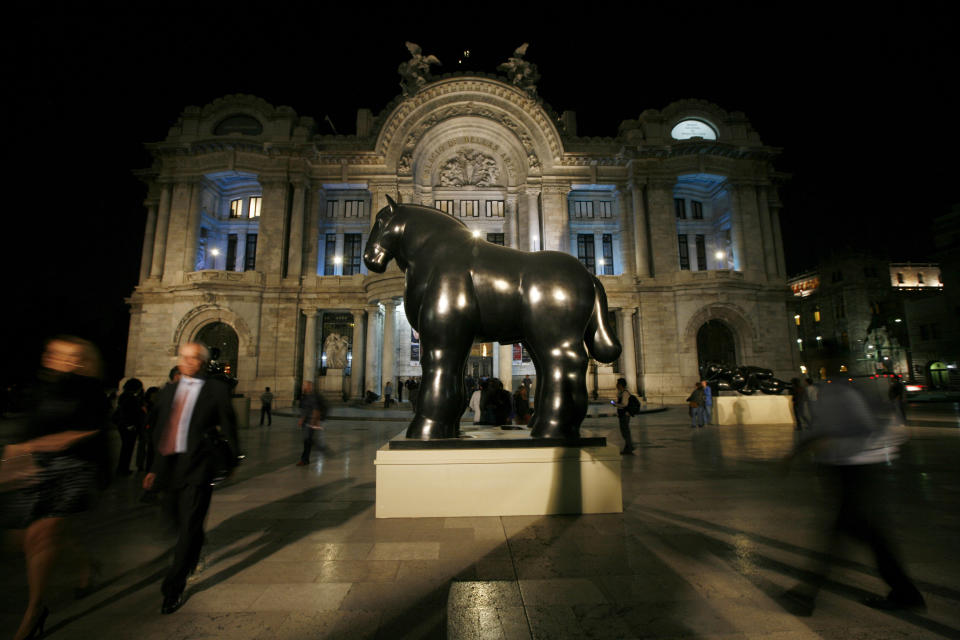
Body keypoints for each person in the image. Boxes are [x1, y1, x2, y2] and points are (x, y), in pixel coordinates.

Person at [782, 377, 924, 615]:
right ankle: (906, 593)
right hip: (853, 466)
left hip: (855, 467)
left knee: (841, 533)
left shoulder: (843, 391)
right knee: (869, 534)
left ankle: (806, 595)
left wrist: (811, 446)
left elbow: (862, 427)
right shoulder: (839, 389)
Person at [2, 336, 110, 640]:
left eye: (72, 356)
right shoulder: (36, 390)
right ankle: (86, 563)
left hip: (75, 468)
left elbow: (86, 433)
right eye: (57, 354)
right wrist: (14, 462)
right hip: (40, 467)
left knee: (43, 534)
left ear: (82, 360)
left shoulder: (91, 392)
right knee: (35, 538)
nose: (64, 360)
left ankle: (35, 610)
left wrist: (32, 445)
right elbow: (22, 430)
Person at [142, 342, 239, 615]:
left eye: (192, 358)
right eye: (183, 357)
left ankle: (173, 587)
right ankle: (194, 545)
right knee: (178, 524)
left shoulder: (216, 389)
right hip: (170, 467)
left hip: (199, 466)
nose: (186, 361)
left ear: (202, 362)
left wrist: (232, 459)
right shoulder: (169, 389)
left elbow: (229, 425)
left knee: (187, 528)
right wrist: (152, 468)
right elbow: (160, 430)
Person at [114, 378, 145, 476]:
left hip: (124, 426)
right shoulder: (130, 397)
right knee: (127, 449)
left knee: (126, 448)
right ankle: (123, 469)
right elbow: (127, 412)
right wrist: (129, 425)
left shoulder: (124, 396)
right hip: (129, 426)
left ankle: (123, 468)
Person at [297, 381, 328, 466]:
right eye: (303, 385)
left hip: (309, 422)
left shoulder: (312, 397)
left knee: (307, 441)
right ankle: (312, 450)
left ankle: (305, 459)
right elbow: (304, 409)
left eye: (305, 386)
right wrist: (302, 419)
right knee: (307, 441)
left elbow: (315, 410)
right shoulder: (305, 397)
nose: (303, 387)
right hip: (306, 422)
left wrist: (313, 421)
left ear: (309, 387)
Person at [612, 378, 635, 455]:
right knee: (624, 432)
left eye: (617, 384)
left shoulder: (625, 393)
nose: (616, 385)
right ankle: (628, 448)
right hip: (622, 414)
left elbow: (624, 404)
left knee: (625, 432)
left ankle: (630, 447)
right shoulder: (621, 393)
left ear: (621, 385)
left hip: (625, 415)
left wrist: (615, 404)